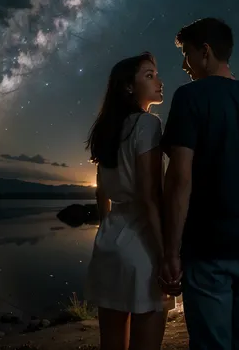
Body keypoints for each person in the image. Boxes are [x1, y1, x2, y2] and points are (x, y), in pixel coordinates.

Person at [159, 18, 239, 350]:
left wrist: (171, 250)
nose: (184, 64)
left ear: (205, 52)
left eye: (187, 54)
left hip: (208, 250)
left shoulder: (190, 98)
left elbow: (180, 177)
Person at [85, 52, 175, 350]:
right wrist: (166, 255)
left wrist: (105, 226)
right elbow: (150, 196)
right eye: (149, 75)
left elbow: (101, 193)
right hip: (141, 244)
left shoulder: (107, 130)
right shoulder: (147, 124)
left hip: (108, 242)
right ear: (127, 87)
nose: (159, 81)